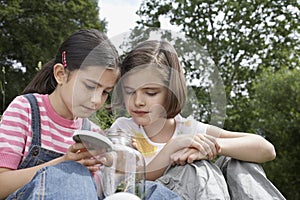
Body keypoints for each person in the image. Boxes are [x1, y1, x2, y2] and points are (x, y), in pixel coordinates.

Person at [0, 30, 180, 200]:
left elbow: (100, 193)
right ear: (61, 74)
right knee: (71, 175)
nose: (96, 100)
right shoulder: (26, 109)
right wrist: (63, 162)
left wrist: (120, 167)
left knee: (155, 192)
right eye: (89, 86)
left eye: (105, 92)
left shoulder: (94, 133)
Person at [111, 40, 286, 199]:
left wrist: (211, 147)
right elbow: (130, 181)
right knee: (197, 167)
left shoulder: (188, 129)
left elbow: (267, 149)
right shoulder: (124, 129)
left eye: (150, 93)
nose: (138, 101)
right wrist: (174, 147)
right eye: (129, 91)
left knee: (238, 161)